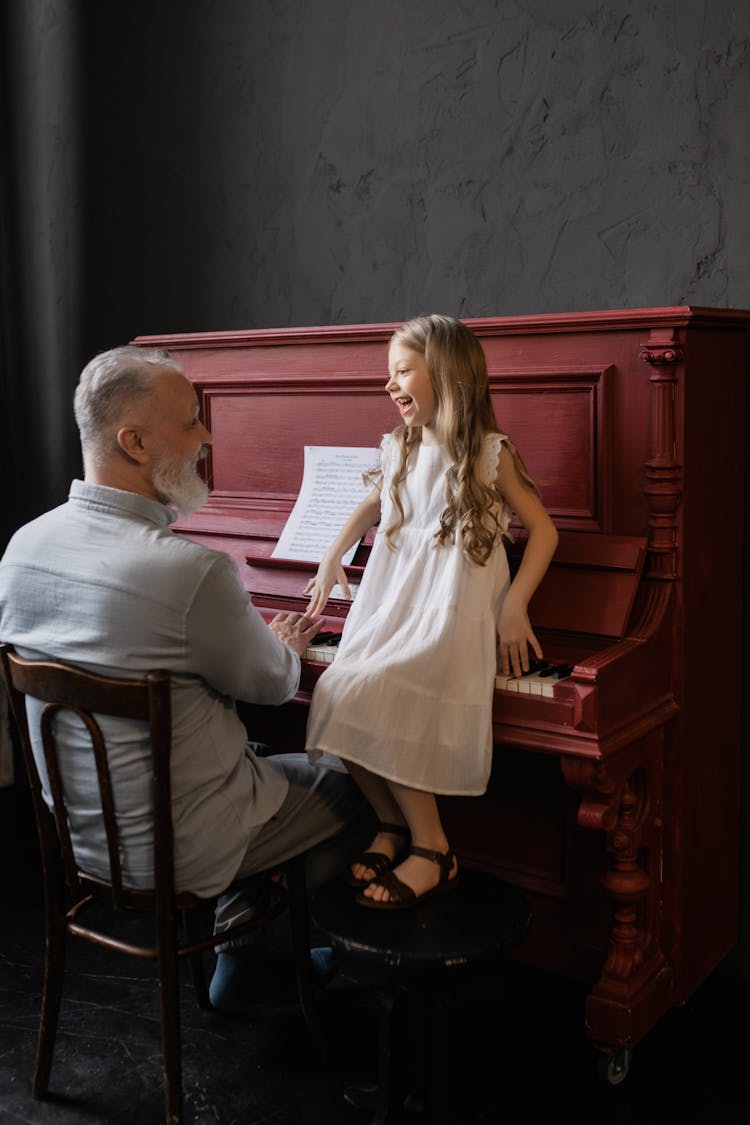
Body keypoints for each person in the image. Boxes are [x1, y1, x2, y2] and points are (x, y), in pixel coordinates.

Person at [0, 344, 375, 1012]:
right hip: (185, 849)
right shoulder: (188, 571)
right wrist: (285, 643)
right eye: (191, 421)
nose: (207, 437)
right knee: (362, 787)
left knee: (246, 752)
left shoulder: (22, 548)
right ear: (135, 441)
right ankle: (254, 952)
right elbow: (267, 684)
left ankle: (243, 955)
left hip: (85, 840)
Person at [304, 314, 559, 910]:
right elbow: (370, 505)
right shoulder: (400, 446)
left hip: (448, 615)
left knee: (374, 691)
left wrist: (515, 604)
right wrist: (330, 556)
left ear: (445, 372)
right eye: (389, 374)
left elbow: (544, 532)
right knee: (338, 691)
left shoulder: (489, 453)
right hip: (393, 608)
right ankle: (392, 827)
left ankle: (435, 848)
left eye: (402, 371)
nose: (390, 386)